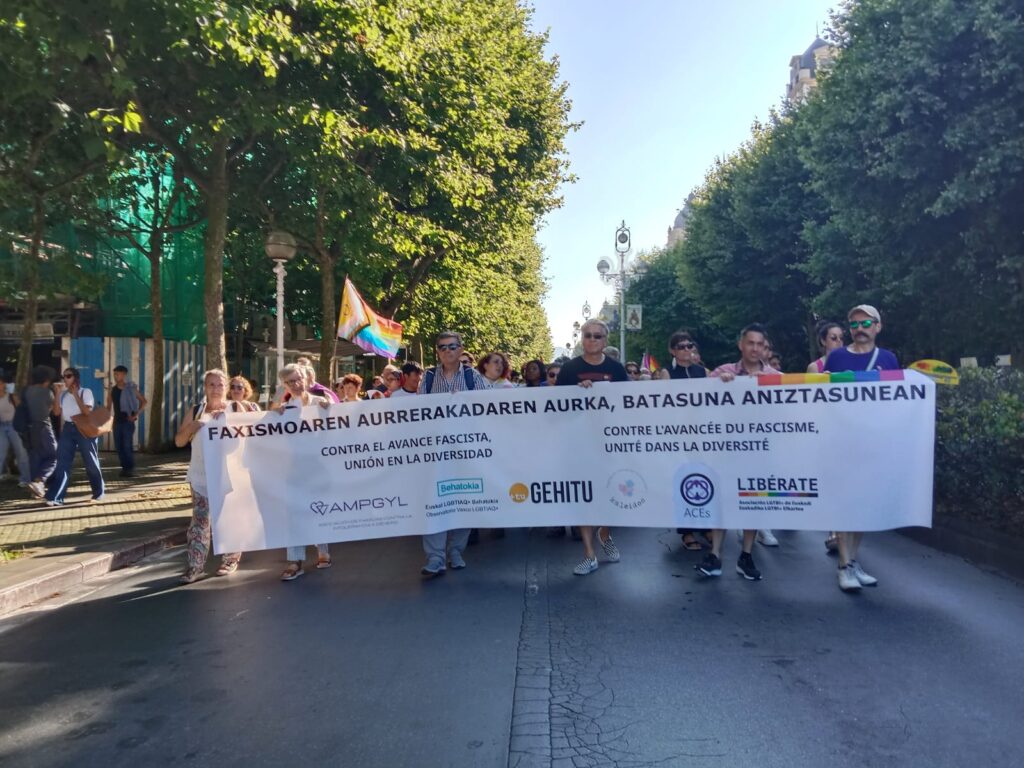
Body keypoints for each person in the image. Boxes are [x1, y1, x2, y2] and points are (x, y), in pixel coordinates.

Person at [696, 324, 781, 581]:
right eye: (750, 343)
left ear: (765, 347)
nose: (755, 348)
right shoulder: (723, 372)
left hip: (759, 451)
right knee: (721, 500)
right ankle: (715, 555)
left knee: (752, 501)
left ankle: (746, 555)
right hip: (726, 449)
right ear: (741, 345)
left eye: (759, 344)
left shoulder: (775, 376)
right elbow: (697, 398)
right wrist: (718, 385)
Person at [824, 304, 899, 593]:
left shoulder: (889, 359)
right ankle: (843, 566)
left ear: (877, 326)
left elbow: (898, 401)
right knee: (846, 504)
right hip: (842, 443)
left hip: (873, 445)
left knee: (863, 506)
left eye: (866, 323)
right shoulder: (837, 358)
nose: (860, 329)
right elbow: (822, 396)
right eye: (854, 324)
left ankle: (853, 561)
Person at [554, 319, 628, 575]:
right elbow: (557, 406)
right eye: (588, 335)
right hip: (578, 444)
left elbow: (627, 404)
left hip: (609, 444)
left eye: (598, 336)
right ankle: (589, 554)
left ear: (605, 340)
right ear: (582, 339)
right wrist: (577, 393)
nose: (593, 340)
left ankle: (604, 534)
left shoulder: (616, 369)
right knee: (582, 496)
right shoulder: (569, 369)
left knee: (610, 493)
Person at [417, 331, 487, 576]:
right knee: (434, 501)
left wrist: (467, 402)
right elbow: (417, 411)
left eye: (452, 346)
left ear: (461, 349)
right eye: (442, 347)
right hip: (435, 452)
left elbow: (490, 406)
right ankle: (435, 558)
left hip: (466, 452)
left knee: (464, 501)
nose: (447, 350)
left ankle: (456, 550)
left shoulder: (472, 376)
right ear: (437, 351)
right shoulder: (427, 378)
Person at [176, 369, 244, 583]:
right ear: (205, 387)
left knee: (229, 518)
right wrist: (193, 427)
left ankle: (230, 559)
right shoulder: (197, 410)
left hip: (229, 477)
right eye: (211, 384)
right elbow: (179, 441)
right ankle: (195, 566)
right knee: (200, 522)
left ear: (226, 388)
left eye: (220, 384)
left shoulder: (235, 408)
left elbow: (250, 436)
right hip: (201, 476)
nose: (216, 389)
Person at [273, 363, 334, 581]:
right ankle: (295, 560)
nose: (296, 384)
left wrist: (331, 409)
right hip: (294, 468)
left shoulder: (321, 402)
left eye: (298, 379)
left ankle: (323, 550)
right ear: (284, 385)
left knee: (318, 509)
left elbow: (340, 426)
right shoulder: (284, 408)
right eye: (290, 381)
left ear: (306, 378)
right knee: (294, 513)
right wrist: (274, 413)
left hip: (319, 467)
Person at [665, 332, 709, 551]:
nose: (686, 349)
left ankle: (705, 525)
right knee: (683, 479)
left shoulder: (702, 371)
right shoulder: (667, 373)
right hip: (678, 434)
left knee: (704, 478)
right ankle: (686, 531)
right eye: (681, 346)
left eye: (689, 345)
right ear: (673, 351)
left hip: (702, 434)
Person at [44, 368, 104, 506]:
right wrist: (57, 393)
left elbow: (87, 412)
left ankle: (98, 492)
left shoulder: (85, 392)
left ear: (76, 378)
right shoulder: (63, 395)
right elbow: (56, 413)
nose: (65, 379)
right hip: (68, 428)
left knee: (90, 462)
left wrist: (76, 394)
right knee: (62, 463)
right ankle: (56, 497)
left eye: (68, 376)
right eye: (63, 376)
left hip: (84, 428)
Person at [23, 366, 58, 498]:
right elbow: (56, 411)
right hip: (44, 426)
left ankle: (35, 486)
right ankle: (39, 481)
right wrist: (57, 393)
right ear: (47, 379)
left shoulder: (27, 391)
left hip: (30, 427)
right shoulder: (47, 392)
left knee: (35, 456)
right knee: (53, 456)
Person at [107, 365, 147, 478]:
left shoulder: (131, 389)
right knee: (119, 447)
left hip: (127, 422)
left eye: (117, 374)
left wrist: (135, 415)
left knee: (127, 446)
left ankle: (130, 469)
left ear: (124, 374)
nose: (115, 376)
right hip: (116, 422)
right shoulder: (112, 390)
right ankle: (124, 468)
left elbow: (144, 401)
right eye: (114, 374)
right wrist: (105, 420)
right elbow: (108, 406)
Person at [0, 372, 32, 494]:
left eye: (1, 383)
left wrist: (14, 394)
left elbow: (20, 407)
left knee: (21, 452)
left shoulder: (10, 396)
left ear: (4, 384)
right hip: (2, 426)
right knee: (1, 453)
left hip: (14, 425)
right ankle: (3, 473)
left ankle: (26, 479)